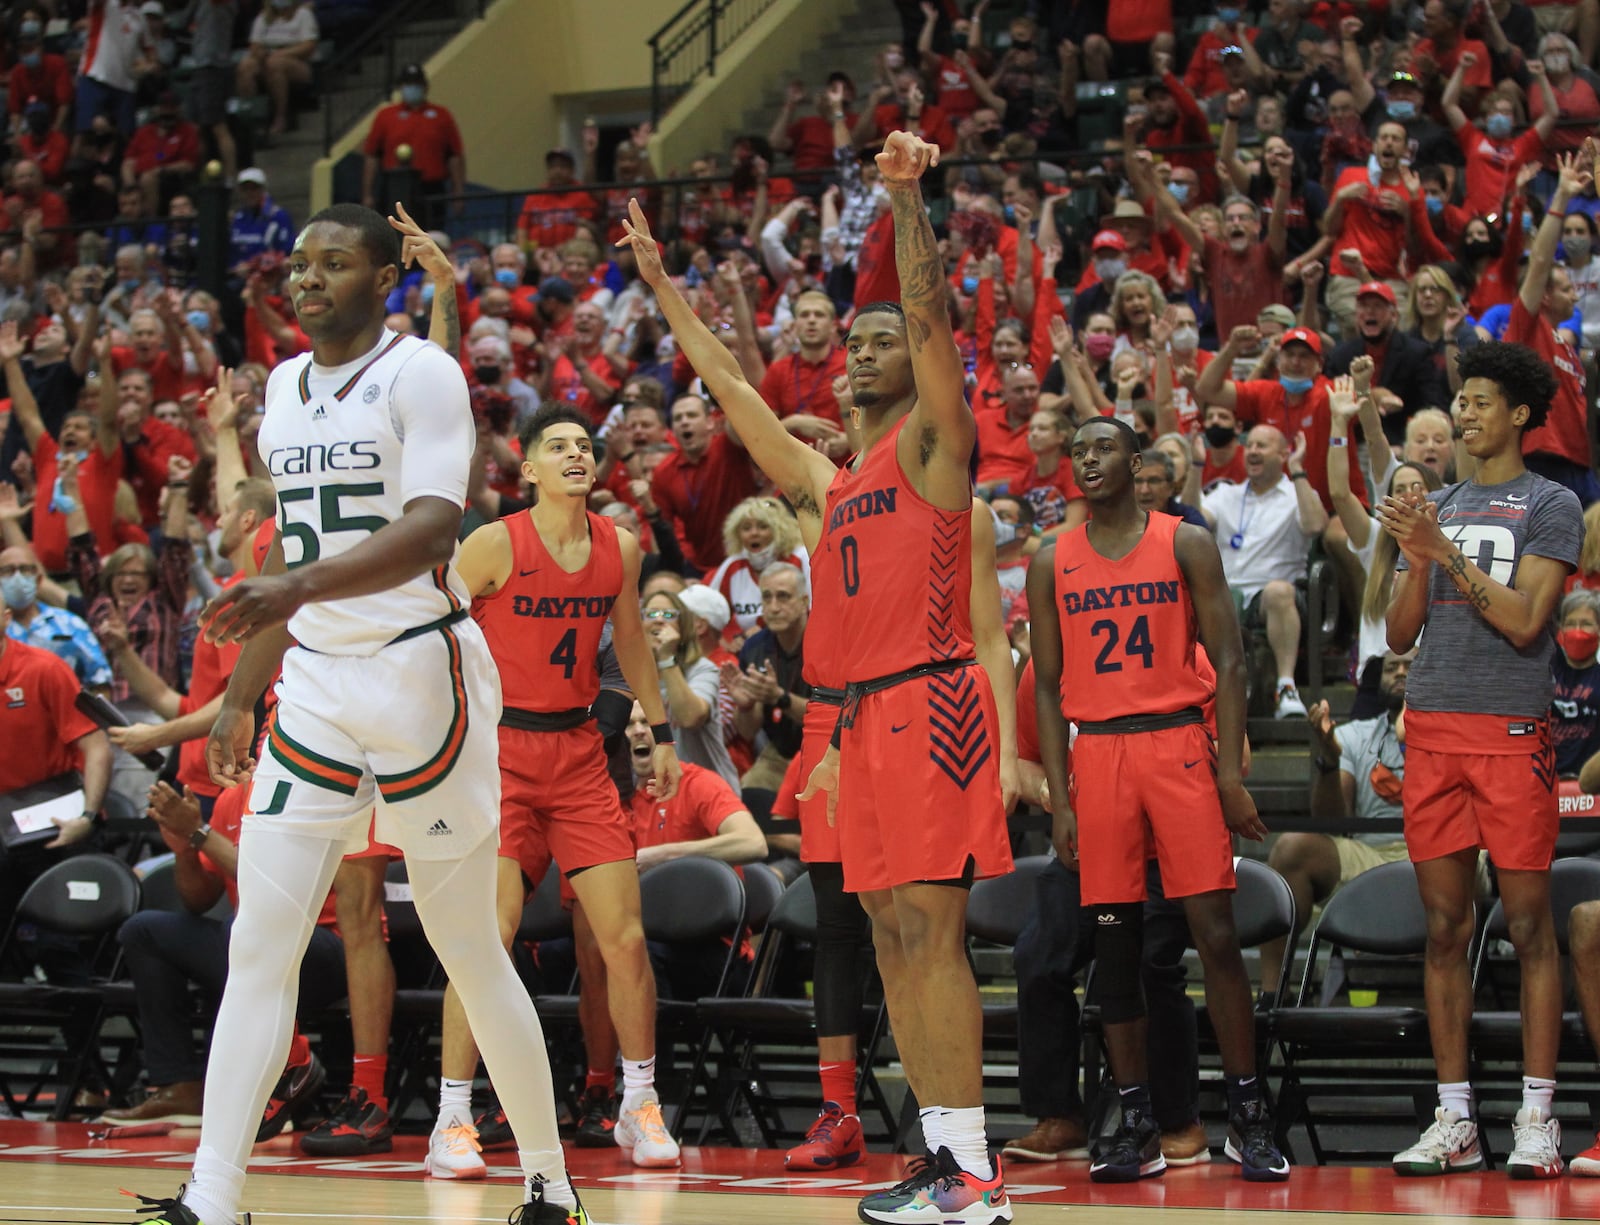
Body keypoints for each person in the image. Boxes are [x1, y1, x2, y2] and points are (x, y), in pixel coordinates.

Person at [129, 204, 586, 1225]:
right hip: (320, 687)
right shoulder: (284, 390)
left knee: (467, 943)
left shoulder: (421, 372)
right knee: (262, 940)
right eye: (297, 264)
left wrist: (295, 596)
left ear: (384, 279)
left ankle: (551, 1184)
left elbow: (434, 529)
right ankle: (215, 1196)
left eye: (334, 262)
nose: (307, 278)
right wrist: (242, 690)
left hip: (425, 675)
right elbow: (293, 557)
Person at [621, 132, 1019, 1221]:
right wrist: (661, 285)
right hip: (860, 720)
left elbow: (933, 318)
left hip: (934, 700)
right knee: (889, 934)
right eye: (855, 339)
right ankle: (944, 1157)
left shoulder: (937, 450)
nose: (862, 349)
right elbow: (728, 385)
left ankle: (978, 1169)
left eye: (881, 337)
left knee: (931, 934)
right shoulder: (828, 479)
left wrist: (905, 206)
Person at [1026, 415, 1287, 1183]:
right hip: (1098, 753)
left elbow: (1232, 659)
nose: (1087, 459)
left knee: (1213, 931)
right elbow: (1044, 682)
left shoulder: (1185, 541)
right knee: (1114, 944)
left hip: (1176, 744)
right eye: (1077, 450)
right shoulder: (1051, 559)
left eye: (1102, 446)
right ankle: (1135, 1115)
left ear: (1138, 461)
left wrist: (1229, 773)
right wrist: (1060, 798)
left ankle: (1246, 1110)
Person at [443, 404, 683, 1174]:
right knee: (489, 939)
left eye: (584, 445)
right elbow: (433, 628)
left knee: (625, 938)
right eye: (559, 446)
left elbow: (635, 645)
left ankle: (638, 1104)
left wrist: (664, 730)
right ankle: (453, 1115)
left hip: (579, 754)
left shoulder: (620, 546)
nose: (576, 454)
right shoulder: (491, 544)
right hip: (499, 754)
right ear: (529, 467)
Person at [1380, 340, 1583, 1180]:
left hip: (1508, 733)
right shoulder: (1440, 500)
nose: (1462, 412)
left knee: (1531, 926)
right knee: (1442, 930)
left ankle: (1537, 1115)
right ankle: (1455, 1116)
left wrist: (1443, 549)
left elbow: (1528, 621)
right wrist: (1414, 554)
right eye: (1458, 400)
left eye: (1480, 400)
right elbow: (1397, 633)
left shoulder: (1551, 502)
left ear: (1523, 414)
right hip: (1430, 728)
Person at [1260, 649, 1413, 990]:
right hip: (1373, 857)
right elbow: (1331, 821)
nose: (1400, 673)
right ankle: (1271, 996)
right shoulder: (1353, 735)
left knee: (1472, 858)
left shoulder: (1458, 729)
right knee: (1290, 850)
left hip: (1443, 851)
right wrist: (1328, 761)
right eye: (1392, 668)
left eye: (1410, 666)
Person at [1200, 425, 1328, 718]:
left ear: (1284, 454)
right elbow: (1193, 522)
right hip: (1225, 595)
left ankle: (1286, 687)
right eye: (1251, 445)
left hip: (1272, 598)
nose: (1253, 451)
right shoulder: (1226, 494)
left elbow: (1314, 526)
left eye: (1263, 446)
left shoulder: (1297, 493)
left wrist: (1297, 471)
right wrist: (1196, 467)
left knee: (1278, 592)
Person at [1505, 148, 1600, 505]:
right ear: (1544, 296)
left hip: (1580, 466)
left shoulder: (1565, 345)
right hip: (1542, 463)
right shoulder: (1527, 326)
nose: (1575, 295)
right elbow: (1541, 259)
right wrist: (1561, 196)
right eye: (1565, 288)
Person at [361, 64, 465, 226]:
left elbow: (455, 156)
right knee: (395, 232)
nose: (412, 88)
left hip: (431, 188)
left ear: (425, 87)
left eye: (416, 83)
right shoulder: (386, 116)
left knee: (432, 234)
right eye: (408, 84)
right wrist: (368, 193)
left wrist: (458, 192)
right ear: (400, 87)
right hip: (394, 187)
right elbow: (372, 156)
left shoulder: (441, 116)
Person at [235, 0, 318, 138]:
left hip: (296, 61)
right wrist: (260, 53)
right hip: (267, 58)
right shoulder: (263, 18)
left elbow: (308, 46)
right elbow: (254, 45)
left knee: (275, 64)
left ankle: (280, 117)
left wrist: (281, 53)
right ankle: (251, 118)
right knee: (245, 66)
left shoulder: (303, 14)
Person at [1553, 588, 1600, 776]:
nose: (1577, 632)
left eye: (1586, 624)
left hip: (1590, 786)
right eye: (1570, 624)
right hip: (1548, 782)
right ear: (1561, 629)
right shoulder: (1549, 669)